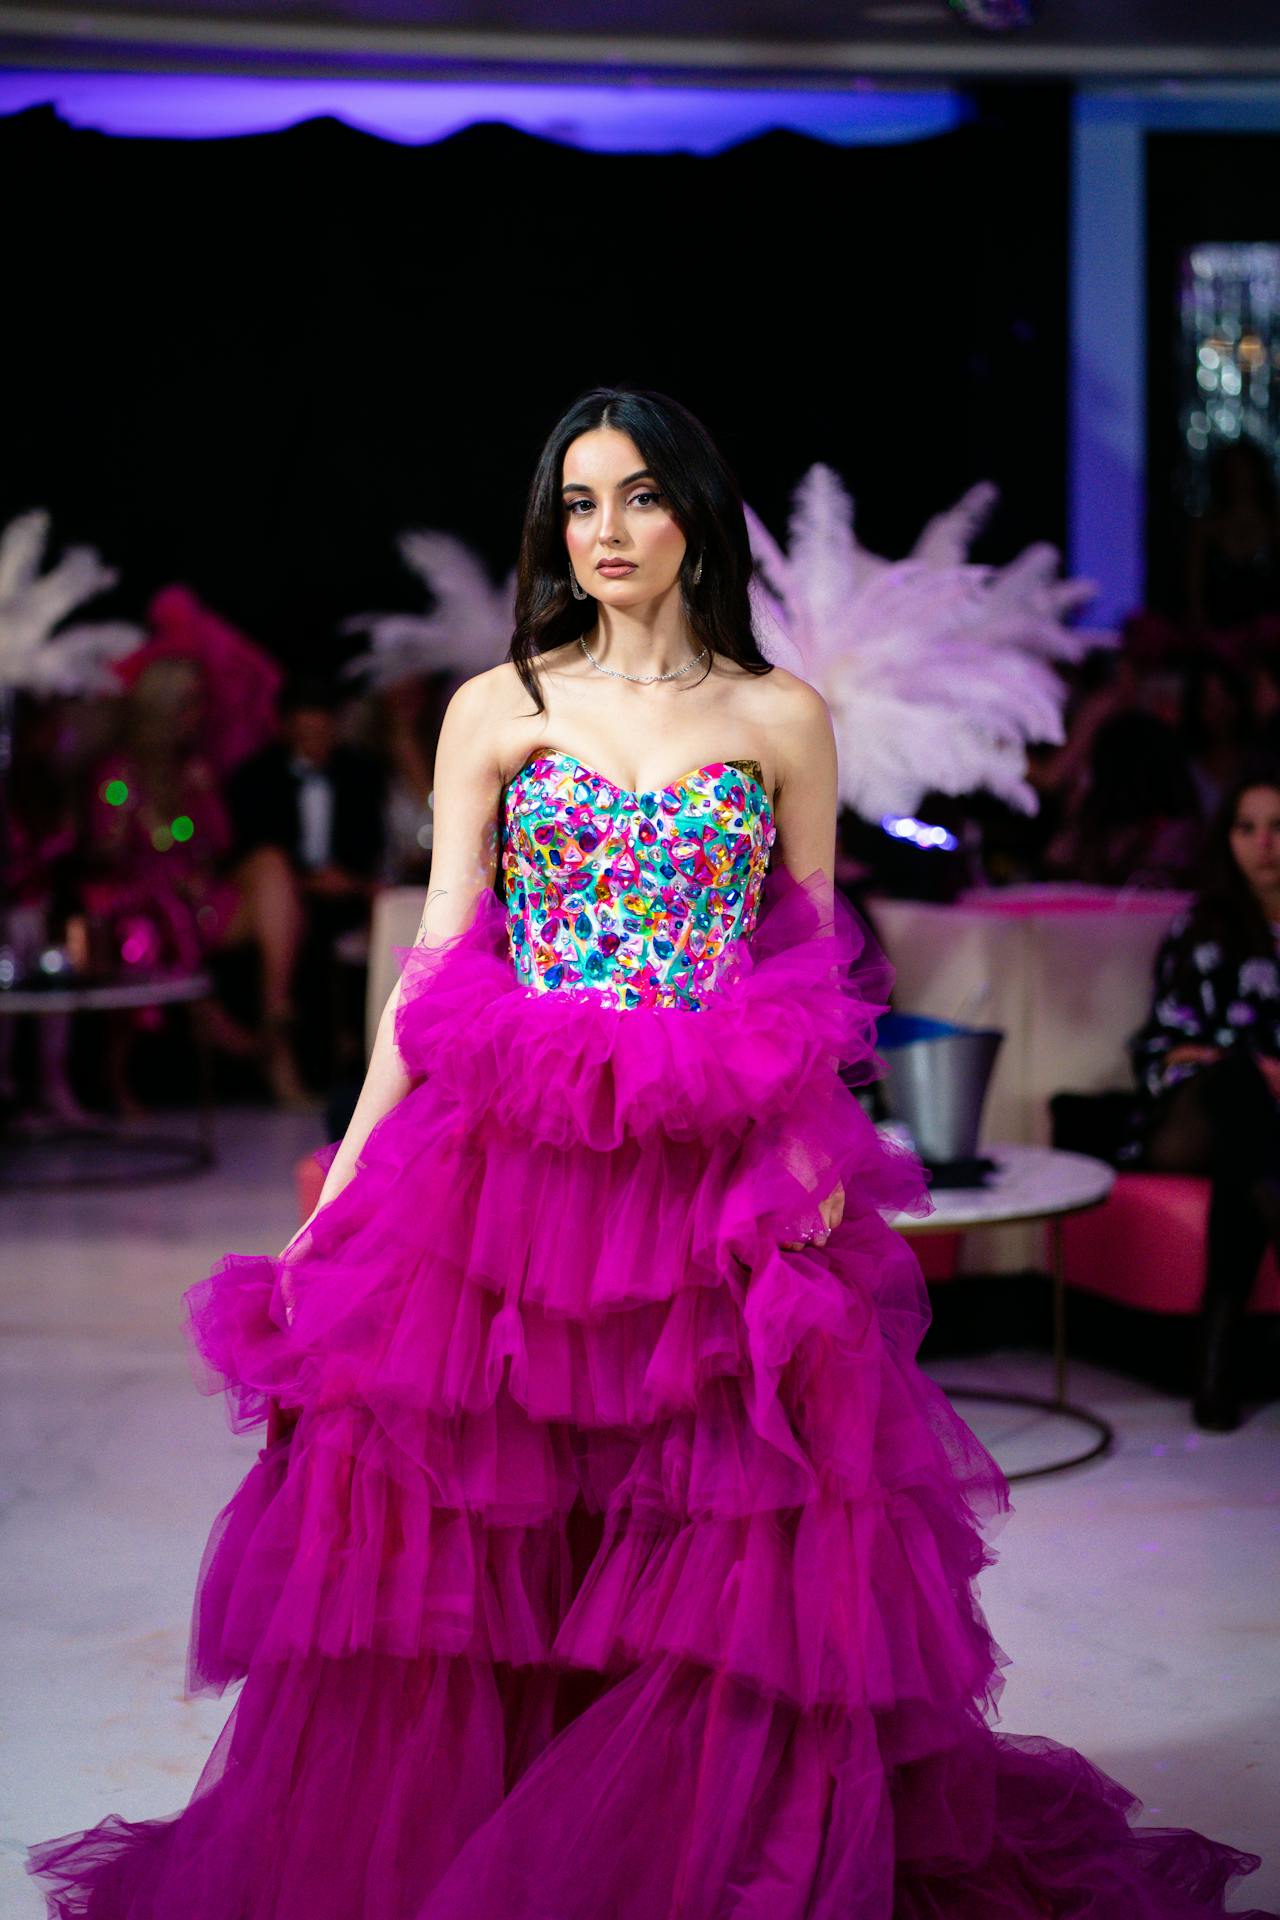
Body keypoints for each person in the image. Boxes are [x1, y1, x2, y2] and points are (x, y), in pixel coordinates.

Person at [28, 388, 1273, 1918]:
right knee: (482, 1524)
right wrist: (350, 1181)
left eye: (634, 499)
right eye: (576, 503)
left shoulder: (777, 716)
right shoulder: (500, 704)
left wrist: (818, 1156)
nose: (603, 532)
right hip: (508, 1162)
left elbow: (812, 960)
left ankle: (690, 1854)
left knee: (714, 1529)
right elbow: (437, 956)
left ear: (693, 515)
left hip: (710, 1165)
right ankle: (499, 1845)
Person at [1122, 759, 1280, 1431]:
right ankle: (1216, 1360)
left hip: (1259, 1131)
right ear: (1228, 837)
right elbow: (1170, 1044)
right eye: (1247, 828)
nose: (1264, 845)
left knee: (1249, 1165)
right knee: (1240, 1086)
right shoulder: (1205, 926)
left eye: (1278, 828)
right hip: (1191, 1115)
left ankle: (1216, 1360)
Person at [226, 676, 387, 1093]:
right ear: (286, 728)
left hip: (346, 891)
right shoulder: (254, 778)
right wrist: (307, 880)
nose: (316, 740)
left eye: (324, 729)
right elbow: (251, 851)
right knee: (280, 895)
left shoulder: (362, 774)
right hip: (286, 894)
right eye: (306, 731)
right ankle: (281, 1035)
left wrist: (350, 881)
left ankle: (385, 1056)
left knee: (394, 907)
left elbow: (370, 847)